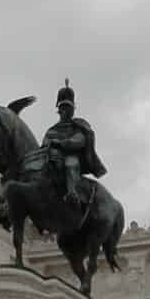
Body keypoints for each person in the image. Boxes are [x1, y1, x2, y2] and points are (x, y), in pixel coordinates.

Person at [41, 80, 104, 215]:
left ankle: (72, 193)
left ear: (72, 110)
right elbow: (44, 144)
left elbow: (79, 141)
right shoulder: (51, 129)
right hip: (52, 157)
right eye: (63, 109)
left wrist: (61, 143)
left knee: (71, 163)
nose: (65, 111)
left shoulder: (78, 125)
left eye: (68, 109)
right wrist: (48, 147)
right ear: (59, 111)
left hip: (71, 156)